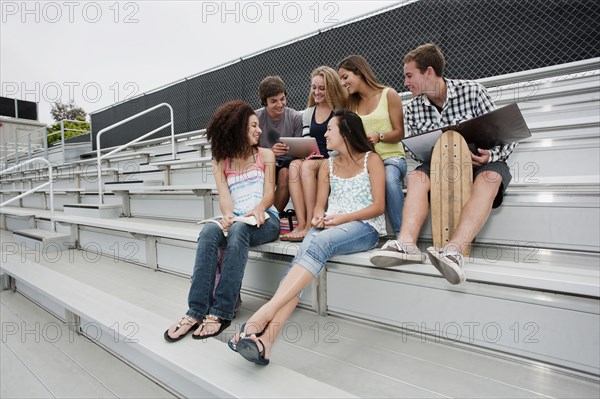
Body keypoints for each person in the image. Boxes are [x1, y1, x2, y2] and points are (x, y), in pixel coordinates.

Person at [228, 110, 386, 365]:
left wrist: (341, 219)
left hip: (363, 226)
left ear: (346, 133)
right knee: (302, 256)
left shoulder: (372, 160)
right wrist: (318, 218)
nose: (325, 134)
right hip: (330, 226)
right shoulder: (328, 164)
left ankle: (262, 315)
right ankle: (266, 341)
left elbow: (378, 206)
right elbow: (320, 206)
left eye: (330, 130)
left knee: (318, 243)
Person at [369, 43, 517, 285]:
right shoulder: (413, 108)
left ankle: (454, 251)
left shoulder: (473, 91)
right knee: (416, 177)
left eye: (409, 75)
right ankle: (407, 245)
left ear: (429, 72)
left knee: (490, 178)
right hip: (438, 165)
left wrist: (491, 156)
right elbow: (415, 153)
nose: (405, 82)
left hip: (479, 161)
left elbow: (506, 135)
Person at [164, 100, 280, 342]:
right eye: (253, 127)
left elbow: (270, 193)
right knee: (209, 232)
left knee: (239, 229)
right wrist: (227, 215)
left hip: (265, 219)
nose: (259, 131)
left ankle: (221, 311)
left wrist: (257, 210)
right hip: (238, 220)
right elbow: (225, 198)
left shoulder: (266, 155)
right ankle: (195, 311)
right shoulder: (220, 160)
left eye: (258, 126)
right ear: (238, 130)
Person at [338, 55, 407, 236]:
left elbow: (400, 133)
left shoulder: (388, 94)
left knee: (389, 179)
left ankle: (402, 236)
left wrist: (379, 136)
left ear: (359, 72)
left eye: (345, 77)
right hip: (367, 162)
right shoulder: (351, 105)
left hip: (392, 158)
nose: (343, 83)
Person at [280, 66, 348, 242]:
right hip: (314, 157)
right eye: (314, 87)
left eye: (322, 88)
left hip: (332, 158)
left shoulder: (340, 111)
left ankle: (311, 223)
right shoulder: (308, 113)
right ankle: (301, 224)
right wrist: (306, 153)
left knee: (307, 167)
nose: (316, 92)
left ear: (331, 88)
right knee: (294, 165)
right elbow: (307, 139)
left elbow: (342, 144)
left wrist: (321, 156)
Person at [255, 76, 304, 212]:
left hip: (287, 164)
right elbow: (247, 150)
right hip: (262, 164)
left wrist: (290, 150)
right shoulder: (255, 118)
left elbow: (301, 150)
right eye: (273, 101)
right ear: (265, 102)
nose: (280, 104)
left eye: (282, 99)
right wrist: (270, 152)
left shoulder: (295, 117)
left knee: (285, 174)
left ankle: (272, 217)